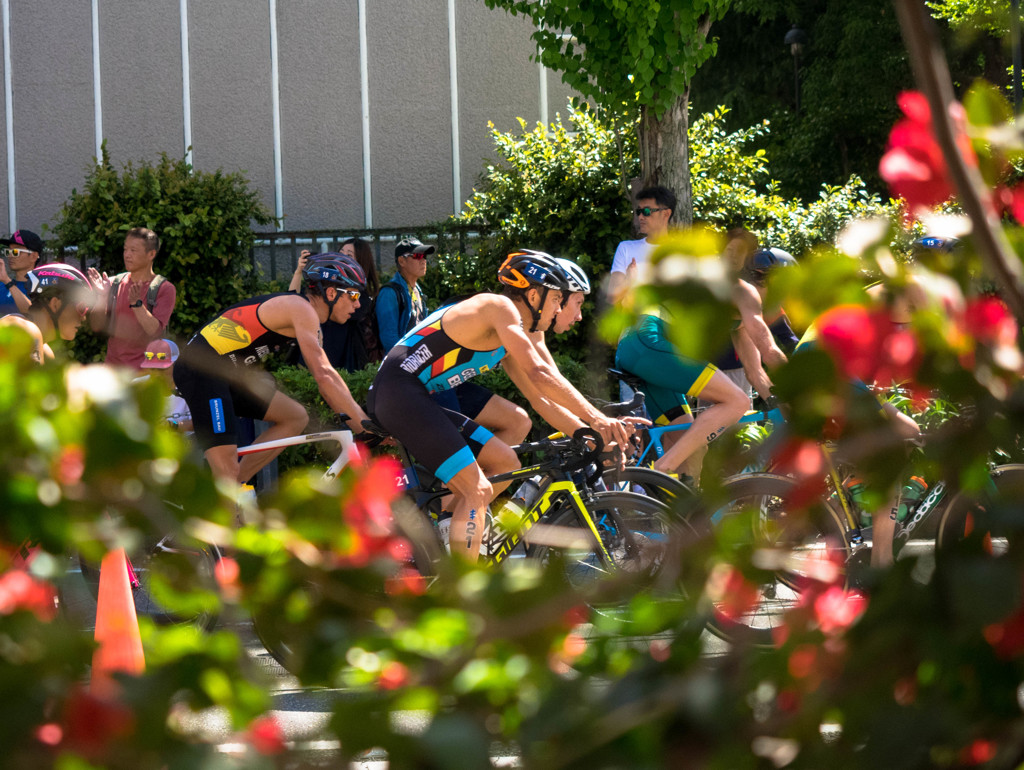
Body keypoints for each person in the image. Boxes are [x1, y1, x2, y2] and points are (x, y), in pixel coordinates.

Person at [366, 251, 633, 560]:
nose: (559, 308)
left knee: (506, 462)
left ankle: (453, 527)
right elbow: (540, 373)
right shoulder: (499, 307)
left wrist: (589, 433)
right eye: (557, 299)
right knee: (477, 489)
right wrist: (599, 419)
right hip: (398, 394)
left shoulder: (513, 332)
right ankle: (462, 594)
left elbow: (539, 398)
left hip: (414, 397)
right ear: (534, 294)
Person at [173, 254, 370, 486]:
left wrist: (360, 422)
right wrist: (363, 425)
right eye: (354, 295)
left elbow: (329, 379)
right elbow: (324, 377)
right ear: (330, 293)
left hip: (225, 373)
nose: (358, 304)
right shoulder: (302, 310)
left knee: (294, 417)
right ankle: (227, 504)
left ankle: (237, 486)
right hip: (202, 370)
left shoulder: (304, 314)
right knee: (225, 472)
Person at [88, 228, 177, 370]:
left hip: (146, 375)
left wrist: (137, 305)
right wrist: (101, 296)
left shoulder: (164, 289)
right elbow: (96, 326)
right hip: (113, 372)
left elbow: (156, 332)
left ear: (151, 254)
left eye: (133, 250)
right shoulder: (113, 284)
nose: (127, 255)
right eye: (125, 249)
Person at [0, 263, 96, 363]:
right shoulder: (24, 329)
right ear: (55, 304)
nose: (83, 317)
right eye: (82, 308)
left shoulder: (44, 349)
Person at [607, 186, 676, 306]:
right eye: (639, 211)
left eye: (647, 211)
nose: (640, 217)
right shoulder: (626, 248)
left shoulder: (680, 252)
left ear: (666, 214)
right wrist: (629, 280)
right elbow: (612, 299)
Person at [376, 236, 433, 352]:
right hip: (401, 363)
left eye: (424, 256)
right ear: (402, 261)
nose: (423, 260)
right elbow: (389, 339)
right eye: (418, 255)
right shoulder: (389, 293)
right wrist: (405, 362)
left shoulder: (417, 289)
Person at [135, 338, 193, 433]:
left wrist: (171, 425)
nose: (157, 374)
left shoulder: (192, 386)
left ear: (177, 365)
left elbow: (205, 423)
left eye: (162, 369)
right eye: (152, 369)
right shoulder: (137, 386)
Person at [0, 229, 43, 317]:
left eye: (16, 252)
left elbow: (33, 315)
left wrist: (8, 282)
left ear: (33, 256)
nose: (10, 256)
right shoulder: (2, 285)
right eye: (8, 251)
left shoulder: (43, 287)